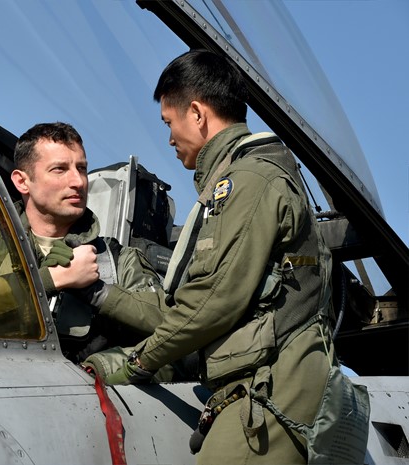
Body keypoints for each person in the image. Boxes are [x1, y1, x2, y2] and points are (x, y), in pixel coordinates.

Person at [84, 50, 369, 464]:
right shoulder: (245, 178)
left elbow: (211, 303)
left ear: (197, 114)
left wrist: (136, 363)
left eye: (169, 122)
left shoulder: (248, 181)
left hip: (270, 389)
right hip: (264, 383)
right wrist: (98, 292)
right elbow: (183, 307)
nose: (169, 138)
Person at [0, 122, 166, 362]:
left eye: (81, 168)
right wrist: (50, 279)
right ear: (22, 181)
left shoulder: (118, 261)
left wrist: (99, 293)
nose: (78, 181)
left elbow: (173, 332)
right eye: (60, 169)